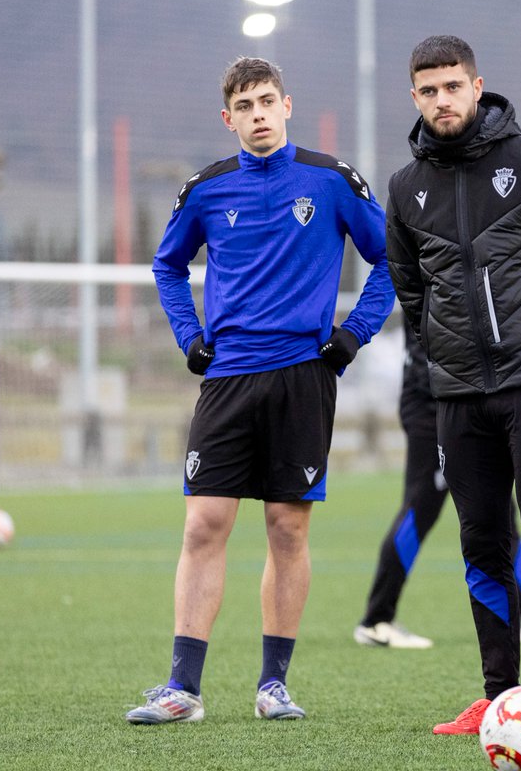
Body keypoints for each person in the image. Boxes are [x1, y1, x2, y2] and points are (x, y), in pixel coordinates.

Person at [128, 57, 394, 724]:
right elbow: (166, 265)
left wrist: (355, 332)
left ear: (287, 105)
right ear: (229, 119)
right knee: (204, 524)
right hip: (227, 379)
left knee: (286, 527)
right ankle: (182, 689)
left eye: (266, 102)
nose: (257, 115)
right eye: (244, 106)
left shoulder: (331, 180)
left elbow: (393, 259)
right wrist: (188, 334)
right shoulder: (208, 189)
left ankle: (274, 684)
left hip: (304, 377)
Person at [384, 35, 521, 735]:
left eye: (453, 86)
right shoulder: (405, 188)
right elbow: (411, 290)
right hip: (458, 397)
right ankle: (498, 694)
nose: (442, 100)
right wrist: (441, 360)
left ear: (478, 87)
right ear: (415, 97)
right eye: (429, 90)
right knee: (481, 541)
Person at [353, 316, 521, 649]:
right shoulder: (430, 268)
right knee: (421, 505)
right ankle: (376, 619)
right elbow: (430, 347)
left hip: (469, 401)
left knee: (501, 504)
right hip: (434, 405)